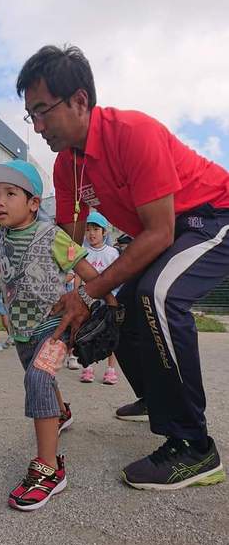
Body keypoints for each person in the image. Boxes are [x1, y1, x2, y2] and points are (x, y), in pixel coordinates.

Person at [15, 44, 229, 491]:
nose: (36, 126)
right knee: (122, 303)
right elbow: (66, 242)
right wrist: (55, 297)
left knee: (158, 295)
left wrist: (86, 292)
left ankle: (194, 447)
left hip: (212, 215)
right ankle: (157, 398)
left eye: (42, 111)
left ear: (79, 100)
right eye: (29, 115)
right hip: (171, 228)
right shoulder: (66, 165)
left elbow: (158, 234)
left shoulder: (132, 132)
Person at [0, 158, 105, 511]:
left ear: (34, 202)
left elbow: (87, 270)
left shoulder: (53, 235)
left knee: (38, 378)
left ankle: (49, 469)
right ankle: (61, 412)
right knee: (43, 380)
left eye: (10, 193)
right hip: (20, 329)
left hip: (54, 326)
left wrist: (107, 303)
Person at [76, 210, 119, 384]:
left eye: (96, 229)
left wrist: (114, 301)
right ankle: (87, 368)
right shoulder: (83, 252)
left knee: (111, 333)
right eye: (88, 229)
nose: (91, 233)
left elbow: (117, 276)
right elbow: (77, 276)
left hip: (108, 299)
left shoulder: (112, 253)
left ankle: (111, 370)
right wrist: (77, 295)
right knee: (86, 332)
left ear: (104, 232)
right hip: (87, 300)